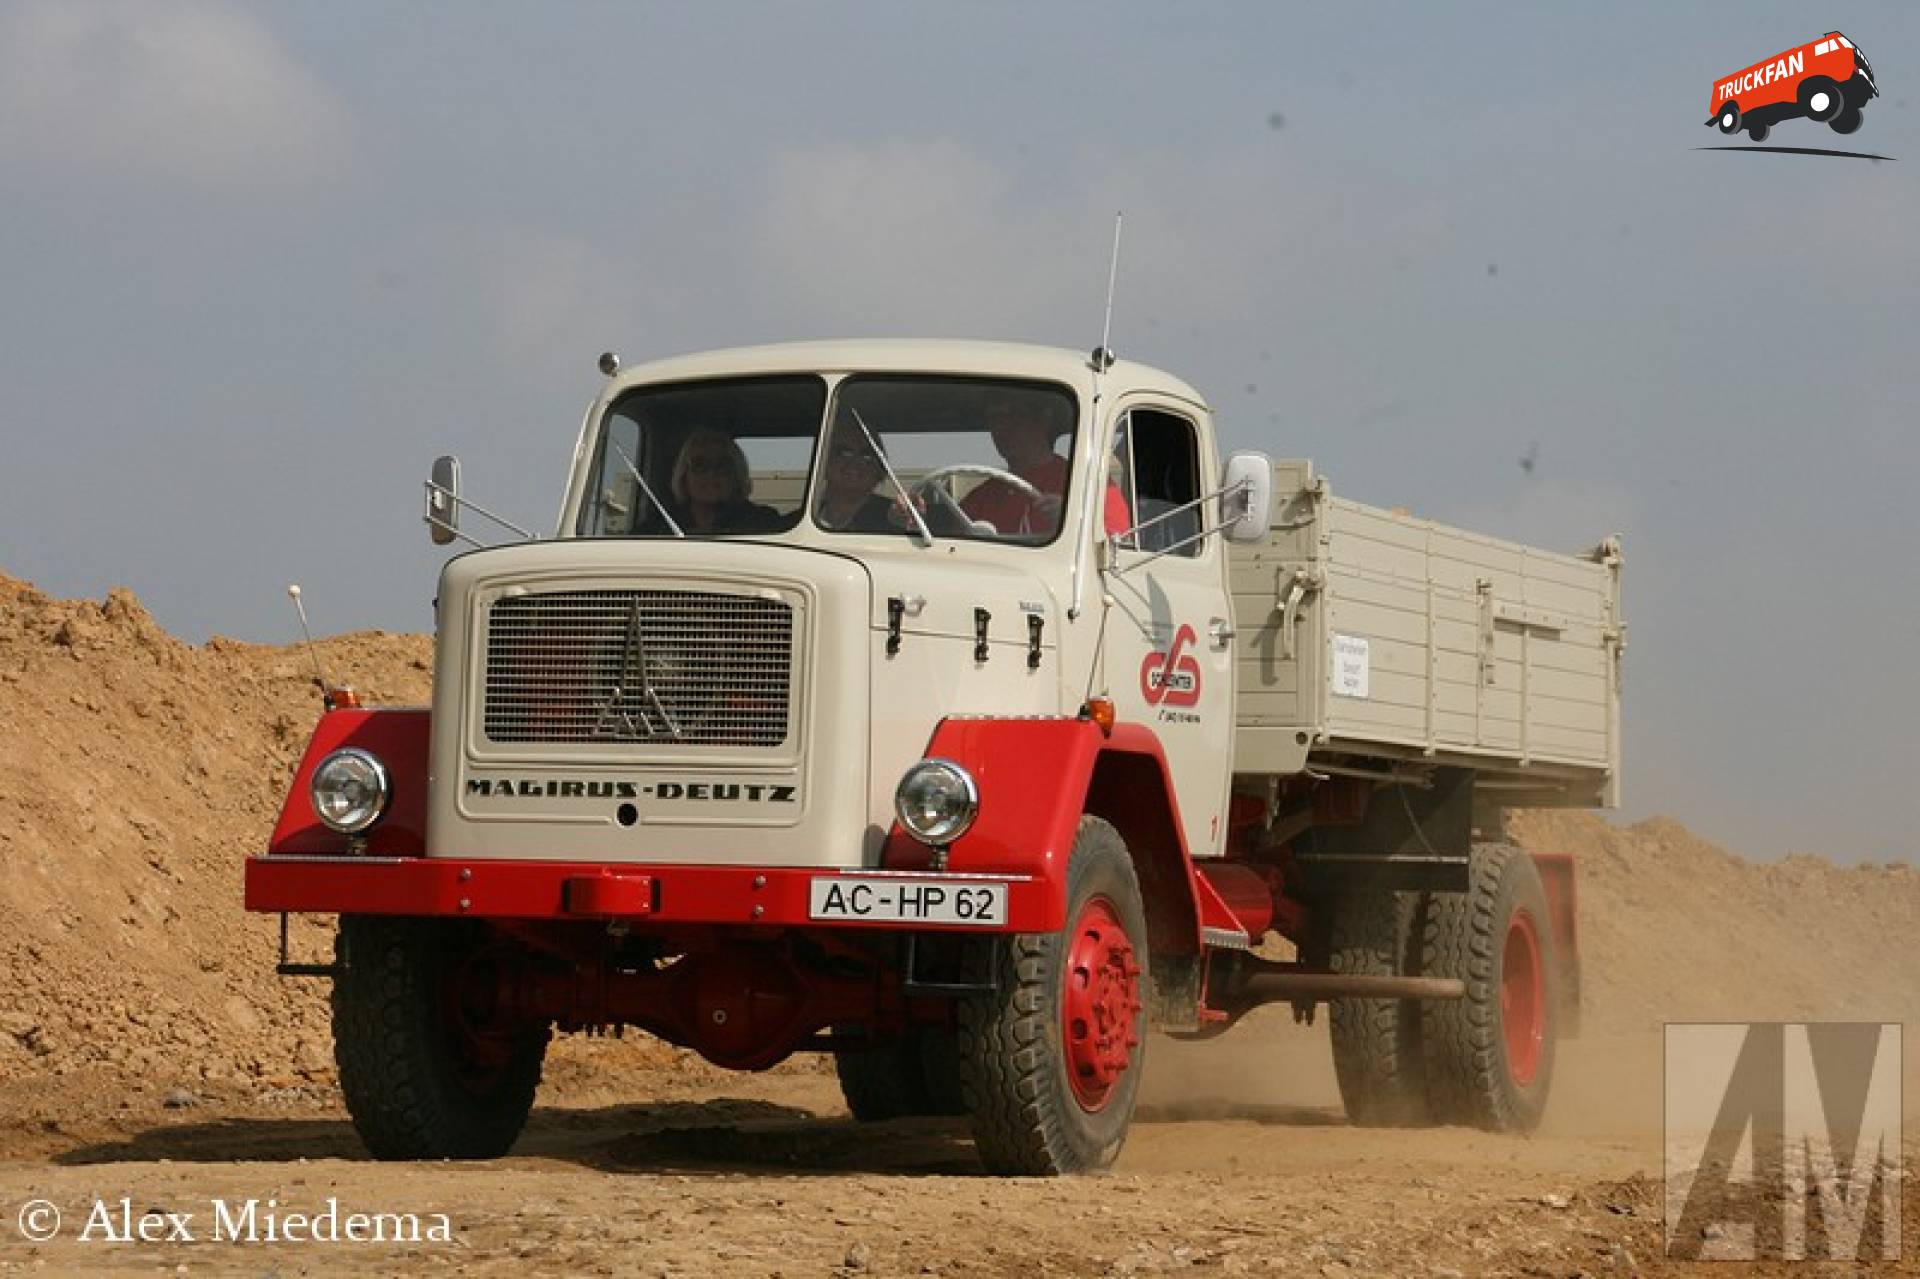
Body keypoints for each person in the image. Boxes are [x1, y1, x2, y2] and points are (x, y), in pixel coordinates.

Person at [961, 391, 1131, 538]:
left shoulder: (1088, 487)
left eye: (1014, 416)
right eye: (995, 419)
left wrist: (1073, 521)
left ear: (1044, 420)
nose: (1001, 428)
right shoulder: (981, 498)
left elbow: (1114, 545)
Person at [667, 428, 783, 535]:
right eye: (699, 465)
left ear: (737, 476)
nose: (711, 473)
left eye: (722, 465)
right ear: (683, 475)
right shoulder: (663, 524)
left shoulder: (762, 522)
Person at [812, 424, 898, 533]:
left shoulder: (897, 521)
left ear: (880, 471)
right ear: (824, 463)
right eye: (845, 453)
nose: (855, 462)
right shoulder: (797, 523)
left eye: (866, 456)